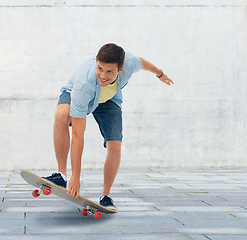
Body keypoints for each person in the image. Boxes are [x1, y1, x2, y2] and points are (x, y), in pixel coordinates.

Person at [43, 43, 173, 210]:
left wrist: (160, 74)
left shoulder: (130, 63)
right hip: (82, 95)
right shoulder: (84, 84)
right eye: (100, 69)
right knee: (61, 114)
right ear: (96, 63)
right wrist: (76, 176)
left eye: (109, 71)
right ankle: (61, 174)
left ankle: (106, 195)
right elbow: (77, 134)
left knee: (115, 145)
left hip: (109, 100)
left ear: (120, 69)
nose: (103, 76)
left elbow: (142, 62)